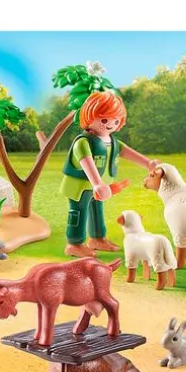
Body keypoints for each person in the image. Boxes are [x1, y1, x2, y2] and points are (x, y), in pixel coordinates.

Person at [60, 90, 156, 258]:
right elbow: (86, 161)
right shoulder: (83, 142)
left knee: (97, 210)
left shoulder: (112, 141)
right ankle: (74, 244)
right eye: (104, 120)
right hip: (80, 186)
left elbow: (127, 152)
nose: (110, 124)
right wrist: (97, 183)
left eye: (116, 120)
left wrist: (148, 163)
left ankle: (97, 238)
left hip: (99, 187)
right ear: (89, 117)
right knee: (79, 212)